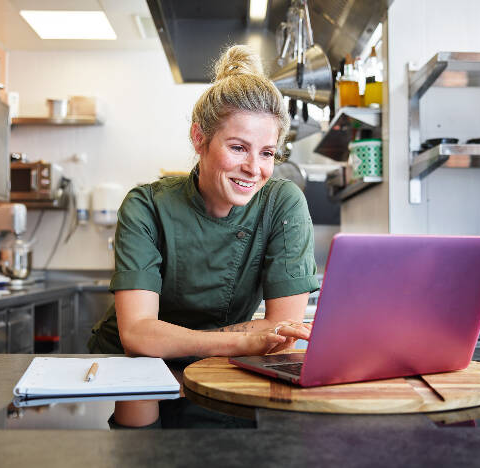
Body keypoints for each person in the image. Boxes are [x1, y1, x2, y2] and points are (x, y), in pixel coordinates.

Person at [88, 45, 319, 359]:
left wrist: (174, 338)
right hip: (136, 372)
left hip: (223, 370)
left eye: (266, 153)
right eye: (238, 148)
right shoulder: (146, 206)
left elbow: (283, 329)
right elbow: (138, 334)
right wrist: (243, 340)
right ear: (199, 138)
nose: (254, 168)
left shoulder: (282, 204)